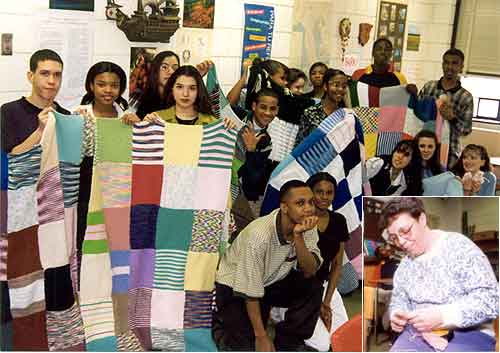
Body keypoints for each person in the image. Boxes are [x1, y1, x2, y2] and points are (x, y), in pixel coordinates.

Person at [213, 180, 323, 352]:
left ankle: (289, 341)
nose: (308, 208)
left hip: (268, 282)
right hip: (235, 288)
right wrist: (261, 336)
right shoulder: (258, 236)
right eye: (300, 203)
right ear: (284, 207)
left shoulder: (305, 224)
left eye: (311, 202)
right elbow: (249, 291)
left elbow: (310, 271)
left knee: (313, 285)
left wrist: (298, 236)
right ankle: (219, 325)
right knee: (246, 346)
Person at [382, 198, 498, 352]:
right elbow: (399, 300)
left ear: (422, 219)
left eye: (405, 231)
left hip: (468, 332)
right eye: (395, 237)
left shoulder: (459, 248)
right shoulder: (404, 266)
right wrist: (397, 313)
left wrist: (443, 316)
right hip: (419, 333)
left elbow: (491, 300)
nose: (401, 242)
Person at [305, 172, 350, 350]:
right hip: (297, 289)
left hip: (324, 286)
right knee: (323, 344)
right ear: (310, 192)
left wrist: (327, 301)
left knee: (343, 337)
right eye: (319, 192)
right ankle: (281, 316)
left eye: (329, 192)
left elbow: (337, 264)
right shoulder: (300, 219)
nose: (324, 197)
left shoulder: (339, 221)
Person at [1, 49, 69, 155]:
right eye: (45, 74)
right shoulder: (9, 111)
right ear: (31, 76)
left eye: (57, 75)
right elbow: (8, 158)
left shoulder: (65, 115)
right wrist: (40, 131)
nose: (51, 81)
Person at [418, 48, 473, 169]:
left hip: (449, 154)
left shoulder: (466, 97)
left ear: (461, 67)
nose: (450, 67)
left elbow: (466, 130)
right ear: (442, 64)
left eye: (454, 63)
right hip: (424, 149)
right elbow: (415, 117)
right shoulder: (429, 87)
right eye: (446, 62)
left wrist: (452, 118)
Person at [122, 50, 213, 123]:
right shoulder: (139, 96)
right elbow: (128, 118)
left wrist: (196, 77)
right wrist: (139, 123)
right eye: (164, 67)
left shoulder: (181, 98)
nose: (170, 72)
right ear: (155, 70)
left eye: (175, 68)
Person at [235, 88, 280, 218]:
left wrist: (251, 150)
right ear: (254, 106)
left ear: (277, 111)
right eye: (263, 107)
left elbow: (251, 180)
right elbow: (218, 105)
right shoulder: (239, 115)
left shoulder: (266, 142)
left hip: (238, 190)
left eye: (272, 109)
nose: (267, 113)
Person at [295, 69, 348, 146]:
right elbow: (300, 144)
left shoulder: (346, 116)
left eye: (344, 86)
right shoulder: (310, 113)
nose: (340, 89)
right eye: (336, 85)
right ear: (325, 86)